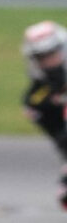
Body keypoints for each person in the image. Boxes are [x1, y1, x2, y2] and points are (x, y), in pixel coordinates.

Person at [21, 21, 67, 209]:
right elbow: (33, 104)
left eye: (51, 54)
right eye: (42, 57)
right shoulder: (39, 90)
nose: (48, 61)